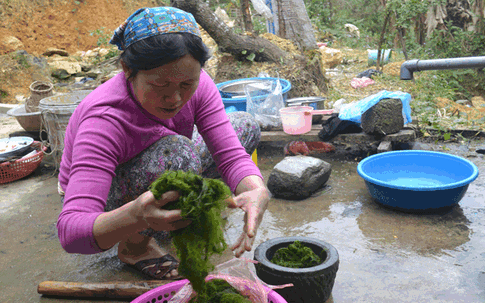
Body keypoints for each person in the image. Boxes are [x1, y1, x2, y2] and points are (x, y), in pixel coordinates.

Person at [56, 6, 270, 280]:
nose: (175, 99)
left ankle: (171, 207)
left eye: (186, 85)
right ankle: (135, 247)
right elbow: (71, 231)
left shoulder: (199, 84)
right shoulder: (105, 119)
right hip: (104, 190)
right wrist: (136, 216)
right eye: (160, 86)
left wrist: (256, 189)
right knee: (178, 156)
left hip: (163, 155)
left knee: (245, 125)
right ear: (127, 70)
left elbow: (230, 156)